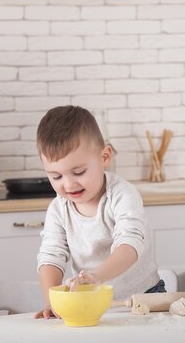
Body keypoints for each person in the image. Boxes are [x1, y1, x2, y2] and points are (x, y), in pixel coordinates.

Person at [34, 105, 164, 319]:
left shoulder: (123, 195)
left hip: (144, 298)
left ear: (104, 157)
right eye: (56, 176)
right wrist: (51, 300)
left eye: (78, 172)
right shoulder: (58, 208)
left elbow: (130, 244)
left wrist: (96, 276)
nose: (68, 184)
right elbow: (51, 255)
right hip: (89, 301)